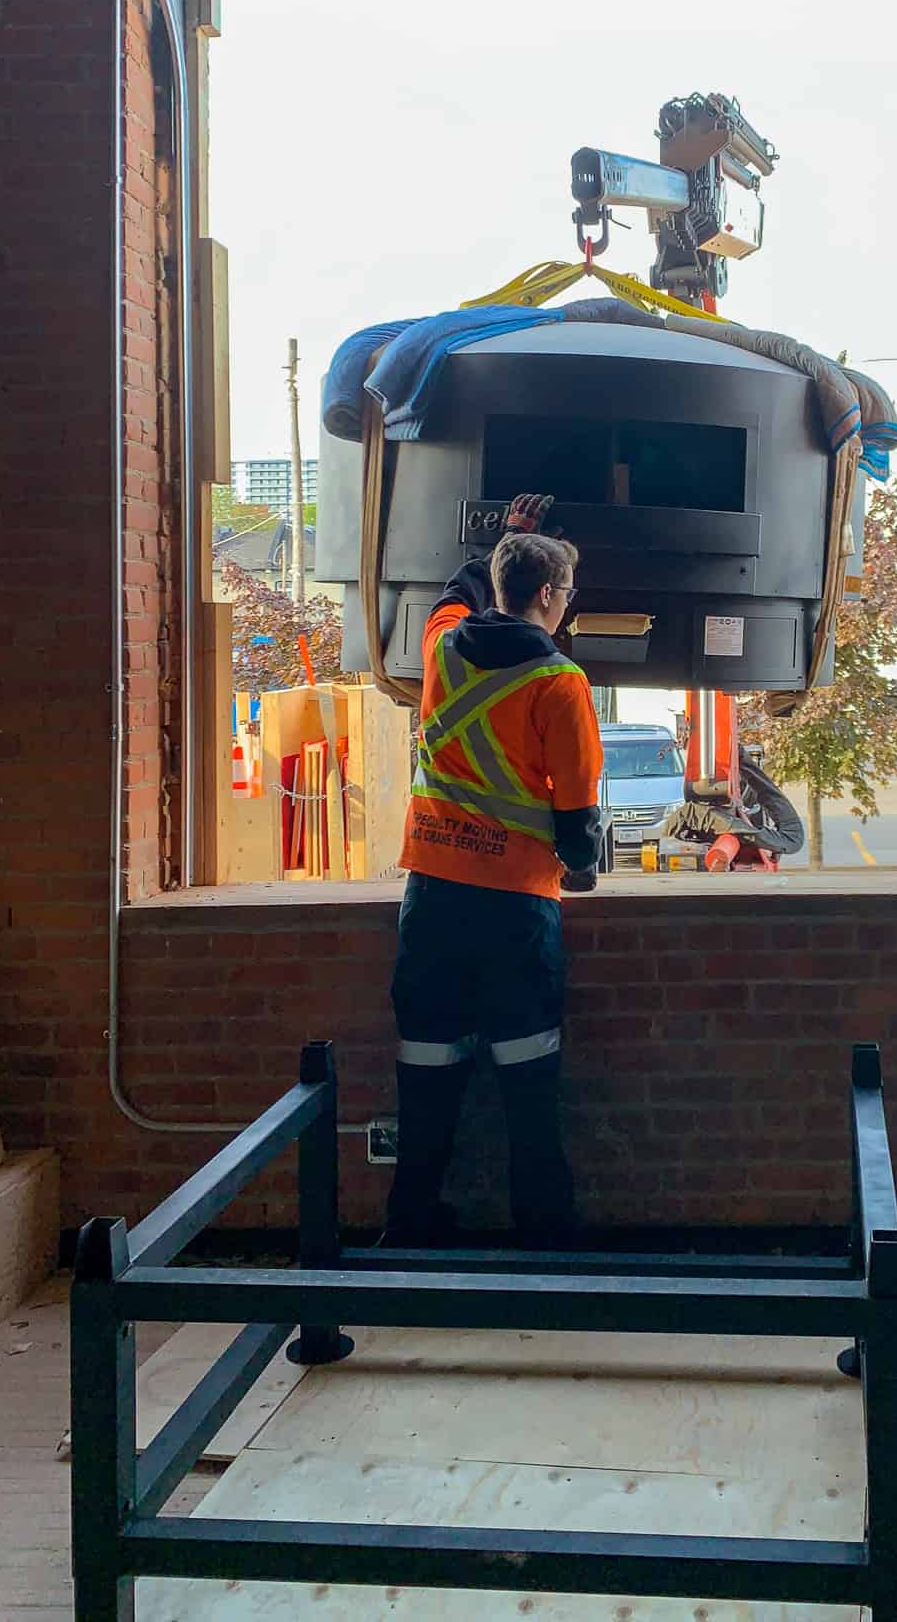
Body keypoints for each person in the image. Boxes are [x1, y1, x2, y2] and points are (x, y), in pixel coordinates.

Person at [383, 492, 604, 1247]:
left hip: (433, 897)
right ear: (548, 595)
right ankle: (544, 1230)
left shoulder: (442, 646)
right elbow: (576, 818)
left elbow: (457, 593)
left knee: (428, 1070)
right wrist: (581, 868)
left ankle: (409, 1225)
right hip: (514, 907)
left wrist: (509, 539)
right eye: (567, 592)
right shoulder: (560, 683)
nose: (569, 605)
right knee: (528, 1076)